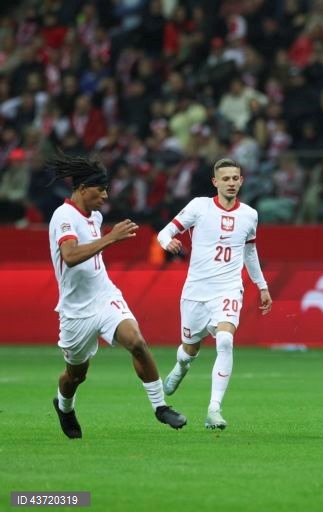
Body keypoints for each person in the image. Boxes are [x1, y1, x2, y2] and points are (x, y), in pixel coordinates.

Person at [48, 152, 187, 439]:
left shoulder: (95, 216)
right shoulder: (63, 216)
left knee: (136, 341)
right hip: (75, 310)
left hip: (104, 295)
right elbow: (70, 256)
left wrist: (107, 237)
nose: (106, 196)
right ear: (83, 188)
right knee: (75, 375)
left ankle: (161, 407)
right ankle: (64, 406)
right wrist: (111, 238)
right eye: (101, 189)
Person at [157, 158, 273, 430]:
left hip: (229, 289)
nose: (231, 183)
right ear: (215, 182)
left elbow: (250, 251)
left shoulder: (250, 214)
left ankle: (214, 409)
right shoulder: (199, 206)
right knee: (189, 350)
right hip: (196, 291)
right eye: (226, 179)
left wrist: (262, 286)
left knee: (225, 341)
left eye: (236, 178)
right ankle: (181, 367)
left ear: (241, 181)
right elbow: (166, 231)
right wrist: (167, 241)